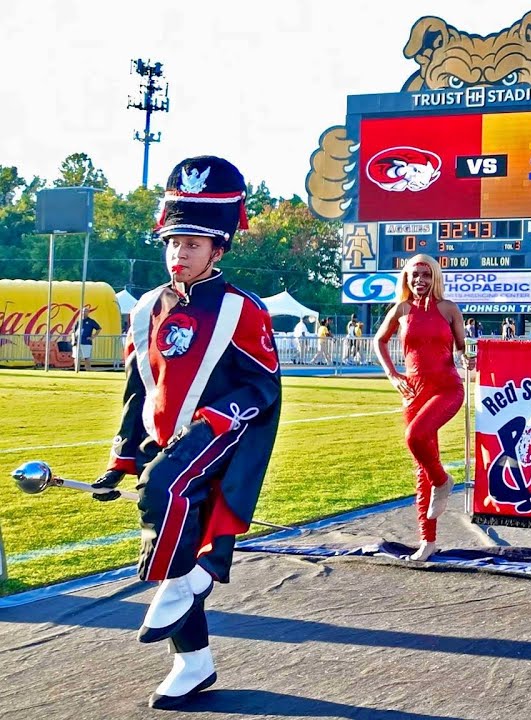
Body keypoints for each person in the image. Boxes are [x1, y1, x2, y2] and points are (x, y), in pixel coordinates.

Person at [90, 156, 281, 709]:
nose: (179, 254)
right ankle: (193, 662)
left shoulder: (243, 308)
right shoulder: (148, 306)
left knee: (162, 492)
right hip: (163, 440)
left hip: (220, 436)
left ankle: (189, 580)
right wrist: (120, 460)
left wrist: (218, 421)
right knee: (172, 538)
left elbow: (263, 385)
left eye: (193, 244)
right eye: (173, 243)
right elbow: (138, 389)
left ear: (218, 249)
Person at [374, 254, 472, 561]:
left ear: (436, 277)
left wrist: (469, 357)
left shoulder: (449, 309)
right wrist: (392, 375)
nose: (420, 280)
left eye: (426, 274)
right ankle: (427, 541)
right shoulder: (401, 310)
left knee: (415, 437)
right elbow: (380, 340)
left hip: (447, 389)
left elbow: (462, 348)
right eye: (415, 274)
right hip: (413, 392)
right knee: (421, 469)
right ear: (406, 277)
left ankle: (443, 482)